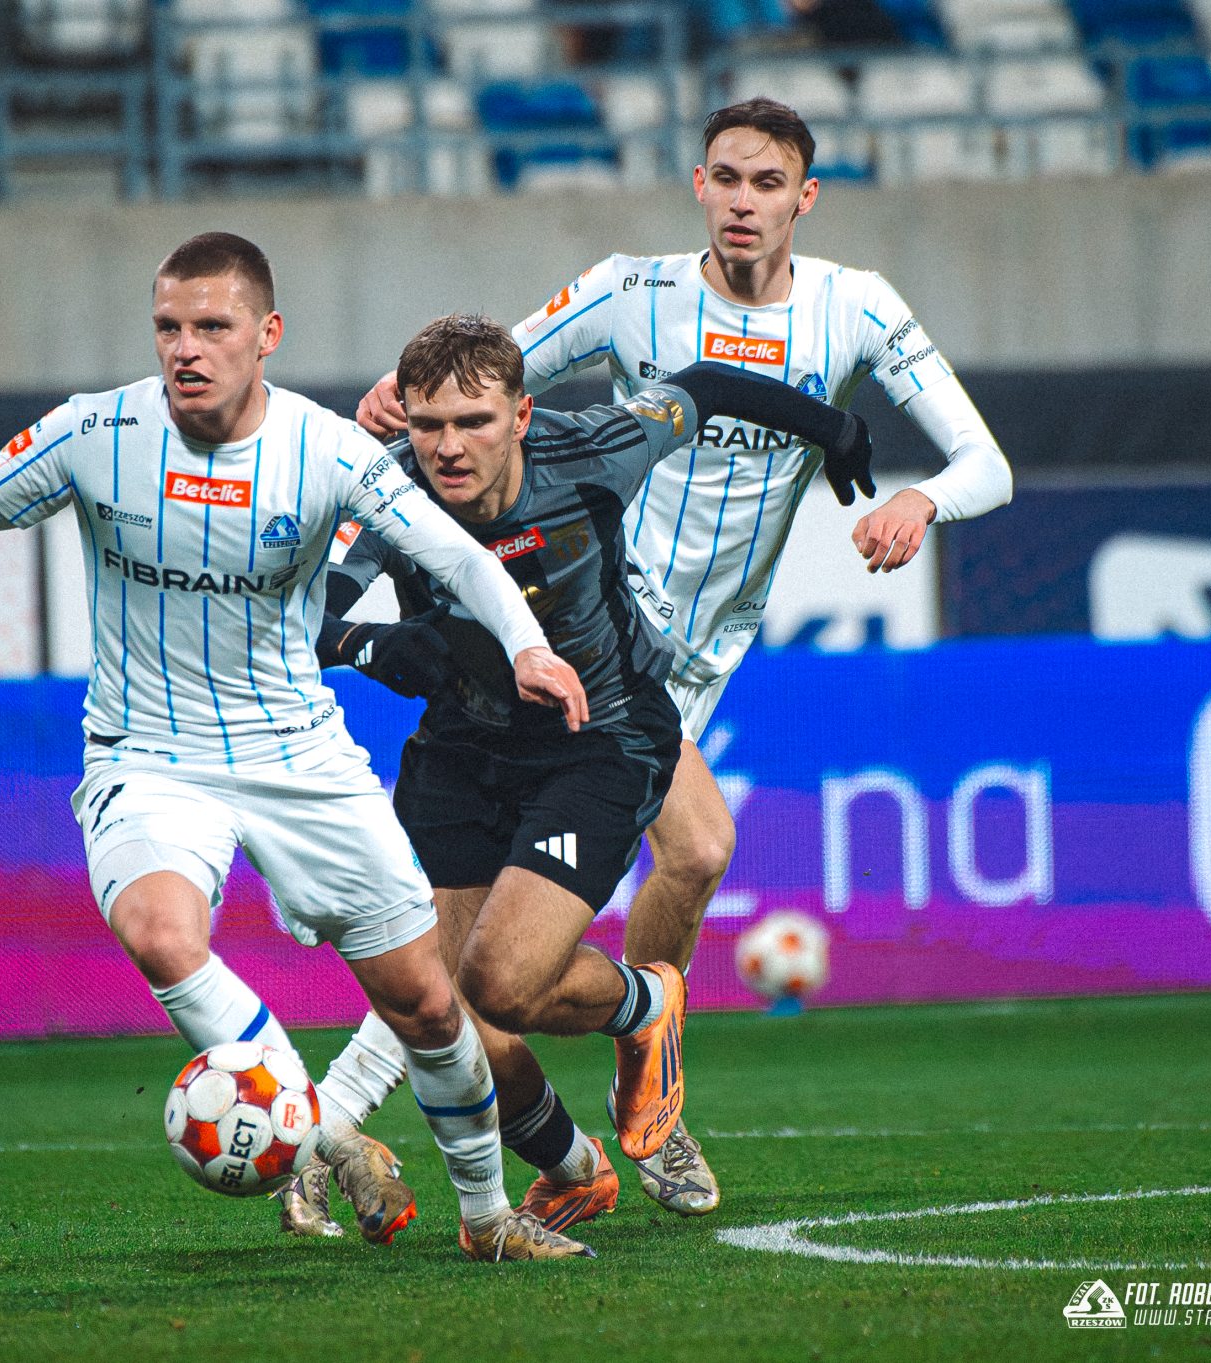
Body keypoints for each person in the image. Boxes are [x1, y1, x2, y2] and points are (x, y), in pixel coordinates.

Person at [0, 232, 598, 1262]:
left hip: (297, 752)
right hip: (148, 752)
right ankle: (315, 1129)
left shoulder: (325, 451)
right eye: (169, 325)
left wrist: (526, 645)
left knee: (427, 1004)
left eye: (212, 326)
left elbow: (458, 556)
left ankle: (486, 1217)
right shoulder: (97, 432)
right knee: (162, 934)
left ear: (267, 334)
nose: (186, 347)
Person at [351, 97, 1014, 1217]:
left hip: (710, 649)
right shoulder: (630, 291)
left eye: (768, 183)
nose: (743, 202)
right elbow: (491, 379)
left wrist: (920, 499)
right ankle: (362, 1117)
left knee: (678, 864)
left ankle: (618, 1071)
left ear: (804, 198)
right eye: (725, 179)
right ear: (698, 185)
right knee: (632, 879)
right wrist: (396, 400)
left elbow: (984, 464)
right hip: (606, 640)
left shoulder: (855, 308)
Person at [280, 314, 876, 1240]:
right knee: (453, 1019)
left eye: (473, 421)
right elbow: (295, 617)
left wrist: (832, 427)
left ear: (521, 416)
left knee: (503, 983)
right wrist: (372, 644)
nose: (447, 446)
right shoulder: (387, 488)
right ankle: (572, 1168)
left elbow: (706, 383)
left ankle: (645, 1005)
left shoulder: (596, 448)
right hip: (461, 750)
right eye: (428, 424)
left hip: (596, 737)